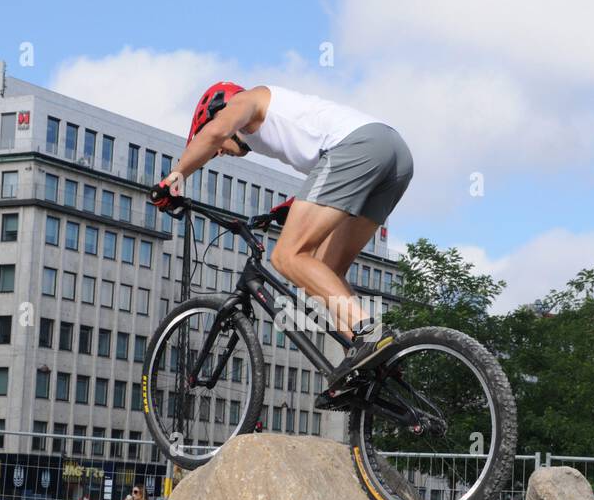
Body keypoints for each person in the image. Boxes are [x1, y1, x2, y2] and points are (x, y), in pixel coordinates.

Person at [155, 82, 413, 391]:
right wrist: (287, 209)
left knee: (287, 256)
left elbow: (214, 135)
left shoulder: (245, 101)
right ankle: (363, 362)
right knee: (325, 267)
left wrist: (175, 176)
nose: (219, 151)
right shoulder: (280, 120)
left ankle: (367, 331)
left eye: (216, 146)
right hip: (394, 154)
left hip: (360, 147)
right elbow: (328, 174)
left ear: (217, 111)